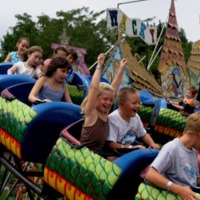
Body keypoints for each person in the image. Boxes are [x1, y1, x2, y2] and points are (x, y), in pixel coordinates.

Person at [145, 112, 200, 200]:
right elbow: (150, 174)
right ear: (198, 135)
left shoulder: (193, 152)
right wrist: (179, 190)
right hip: (175, 195)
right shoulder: (172, 148)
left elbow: (193, 178)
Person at [79, 53, 127, 152]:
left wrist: (121, 69)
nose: (109, 103)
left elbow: (114, 88)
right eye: (105, 99)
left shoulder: (105, 111)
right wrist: (99, 65)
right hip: (84, 152)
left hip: (98, 153)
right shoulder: (92, 112)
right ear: (96, 98)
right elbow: (94, 88)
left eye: (111, 100)